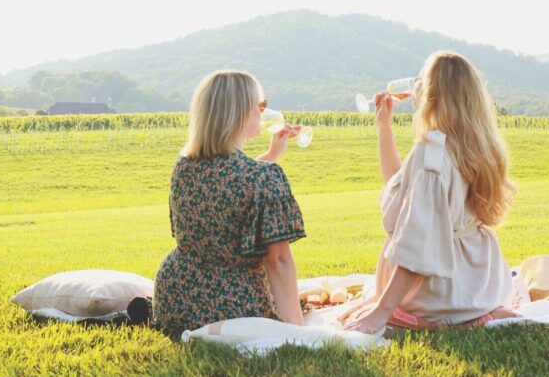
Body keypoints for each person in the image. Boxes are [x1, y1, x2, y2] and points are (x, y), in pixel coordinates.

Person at [343, 51, 519, 334]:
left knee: (360, 317)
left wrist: (381, 311)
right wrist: (383, 128)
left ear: (431, 93)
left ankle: (439, 317)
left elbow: (419, 244)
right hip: (479, 282)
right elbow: (401, 186)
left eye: (420, 79)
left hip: (440, 291)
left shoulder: (432, 152)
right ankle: (481, 312)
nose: (415, 86)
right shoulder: (473, 145)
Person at [153, 70, 306, 337]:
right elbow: (278, 260)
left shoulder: (183, 167)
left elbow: (228, 186)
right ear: (238, 111)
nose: (263, 111)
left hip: (175, 300)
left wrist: (271, 155)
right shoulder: (261, 178)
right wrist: (298, 331)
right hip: (234, 304)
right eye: (259, 105)